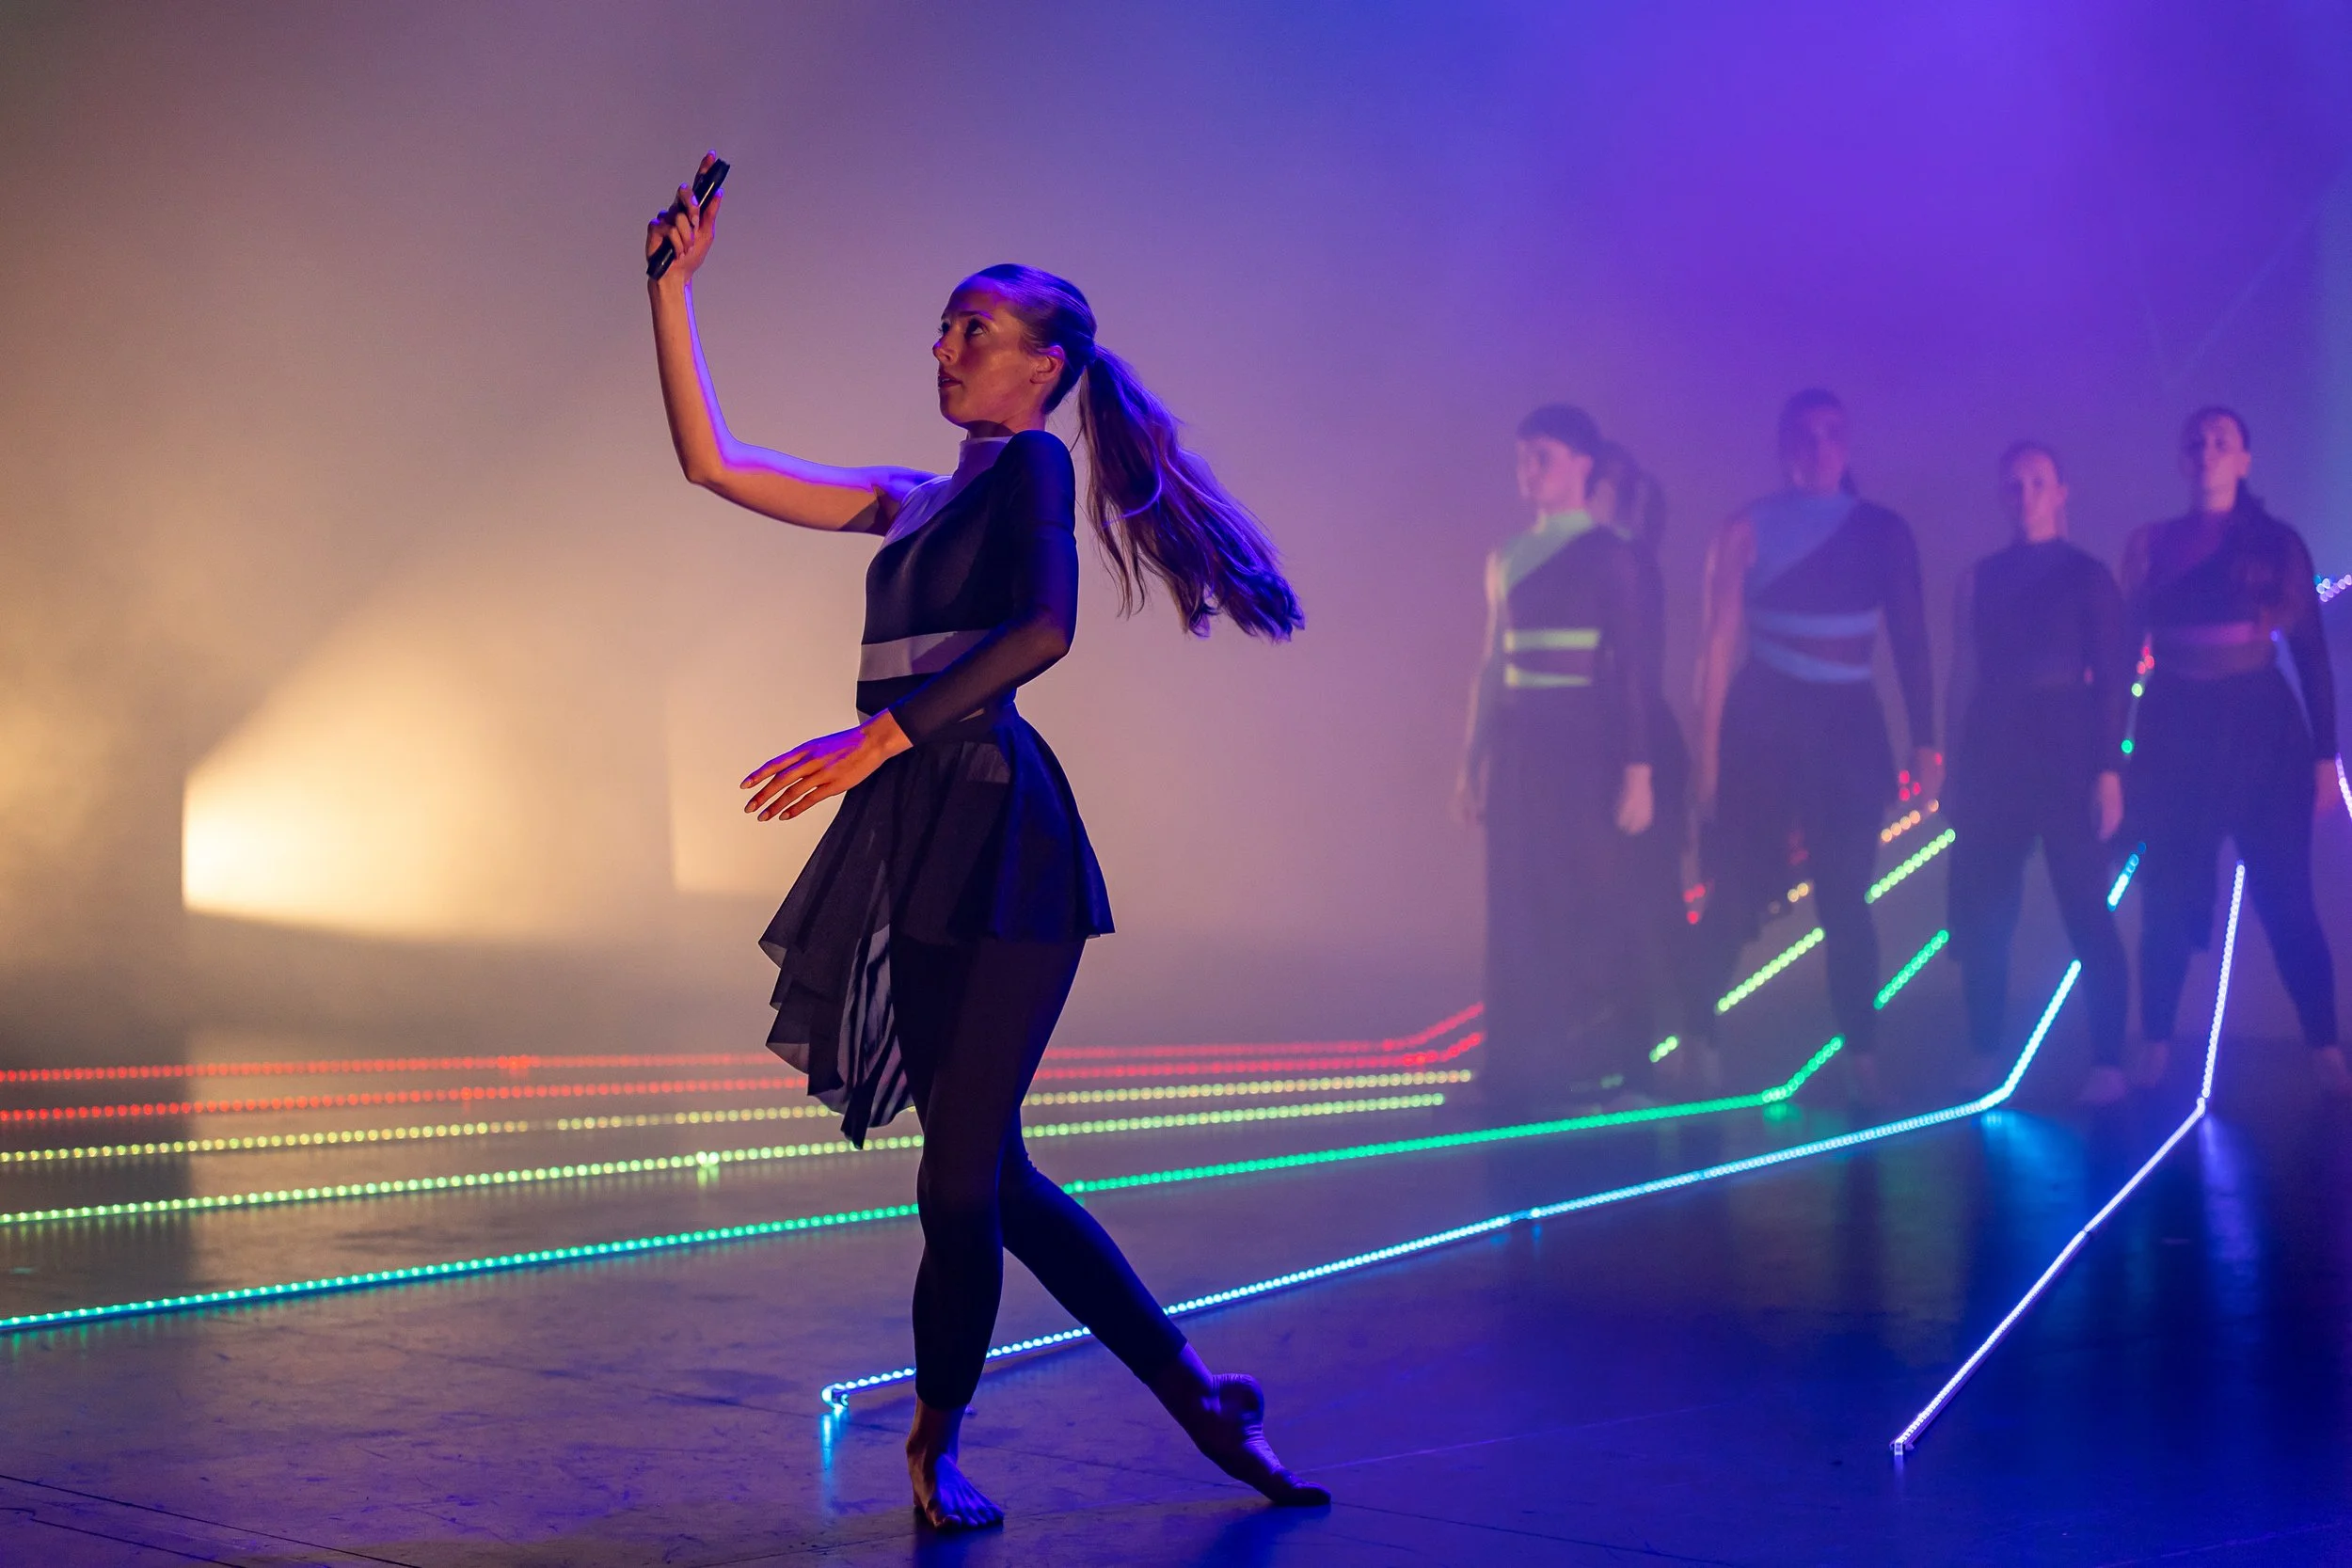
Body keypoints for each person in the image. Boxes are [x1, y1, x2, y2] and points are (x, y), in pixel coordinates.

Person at [644, 158, 1327, 1531]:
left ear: (1046, 366)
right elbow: (713, 464)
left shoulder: (1034, 462)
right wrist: (671, 291)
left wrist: (871, 741)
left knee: (959, 1175)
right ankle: (1195, 1388)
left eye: (974, 328)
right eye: (944, 323)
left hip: (1001, 832)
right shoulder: (915, 495)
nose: (944, 346)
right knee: (994, 1175)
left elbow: (1043, 632)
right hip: (915, 831)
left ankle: (933, 1435)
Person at [1686, 389, 1939, 1107]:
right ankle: (1699, 1037)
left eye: (1833, 435)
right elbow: (1716, 644)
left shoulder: (1884, 531)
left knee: (1845, 899)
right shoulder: (1744, 528)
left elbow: (1912, 640)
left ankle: (1864, 1059)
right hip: (1763, 724)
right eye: (1804, 436)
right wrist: (1706, 761)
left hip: (1848, 729)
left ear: (1848, 446)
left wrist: (1926, 740)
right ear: (1782, 448)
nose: (1819, 449)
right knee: (1734, 893)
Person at [2121, 406, 2348, 1095]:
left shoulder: (2277, 543)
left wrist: (2324, 760)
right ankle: (2156, 1045)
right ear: (2182, 459)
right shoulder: (2151, 542)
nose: (2208, 450)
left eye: (2222, 441)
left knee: (2288, 900)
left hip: (2262, 733)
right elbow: (2124, 648)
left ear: (2245, 458)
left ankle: (2326, 1050)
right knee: (2165, 895)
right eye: (2197, 441)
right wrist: (2109, 758)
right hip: (2174, 729)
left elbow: (2311, 658)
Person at [1456, 406, 1662, 1107]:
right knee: (1515, 901)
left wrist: (1639, 770)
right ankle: (1520, 1065)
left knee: (1591, 897)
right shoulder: (1505, 556)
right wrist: (1470, 761)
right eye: (1524, 456)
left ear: (1583, 464)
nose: (1529, 469)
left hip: (1583, 744)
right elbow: (1491, 665)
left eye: (1543, 455)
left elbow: (1633, 666)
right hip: (1519, 743)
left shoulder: (1612, 553)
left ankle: (1616, 1062)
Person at [1945, 443, 2132, 1105]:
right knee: (1986, 912)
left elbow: (2114, 679)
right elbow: (1964, 674)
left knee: (2085, 906)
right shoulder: (1980, 577)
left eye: (2037, 483)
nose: (2025, 494)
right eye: (2014, 484)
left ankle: (2109, 1059)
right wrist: (1952, 767)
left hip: (2066, 748)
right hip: (1995, 749)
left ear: (2061, 492)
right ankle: (1985, 1047)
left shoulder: (2089, 576)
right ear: (2003, 495)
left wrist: (2109, 770)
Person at [1590, 440, 1693, 1086]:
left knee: (1643, 904)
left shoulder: (1625, 564)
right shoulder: (1623, 560)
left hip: (1637, 746)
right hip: (1625, 743)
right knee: (1631, 905)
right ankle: (1637, 1053)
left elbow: (1628, 673)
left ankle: (1645, 1056)